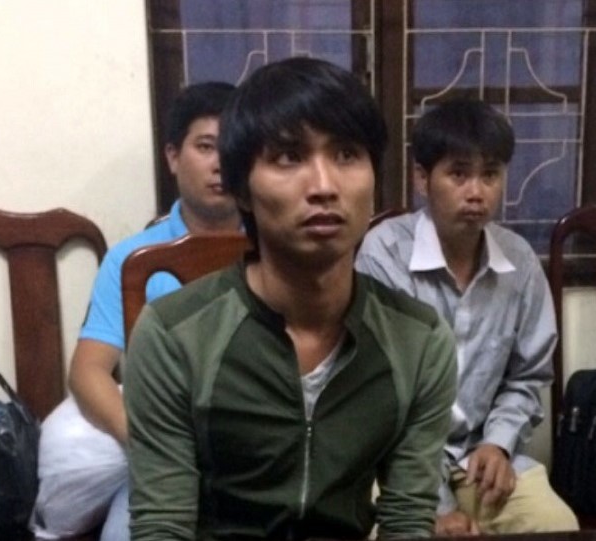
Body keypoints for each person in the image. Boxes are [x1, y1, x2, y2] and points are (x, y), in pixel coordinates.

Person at [123, 57, 457, 541]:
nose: (324, 186)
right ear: (241, 190)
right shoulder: (174, 335)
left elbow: (407, 521)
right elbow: (162, 526)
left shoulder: (419, 341)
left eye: (347, 154)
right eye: (288, 157)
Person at [356, 97, 579, 535]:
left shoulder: (519, 262)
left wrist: (499, 444)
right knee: (394, 530)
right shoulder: (385, 254)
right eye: (458, 174)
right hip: (394, 457)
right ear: (422, 178)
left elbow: (527, 377)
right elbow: (377, 388)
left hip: (481, 455)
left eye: (490, 174)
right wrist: (435, 509)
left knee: (556, 524)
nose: (476, 192)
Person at [34, 82, 240, 541]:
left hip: (257, 455)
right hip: (160, 451)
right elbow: (88, 370)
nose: (220, 163)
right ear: (173, 157)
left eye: (232, 147)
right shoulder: (134, 260)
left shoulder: (277, 250)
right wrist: (151, 444)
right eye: (206, 146)